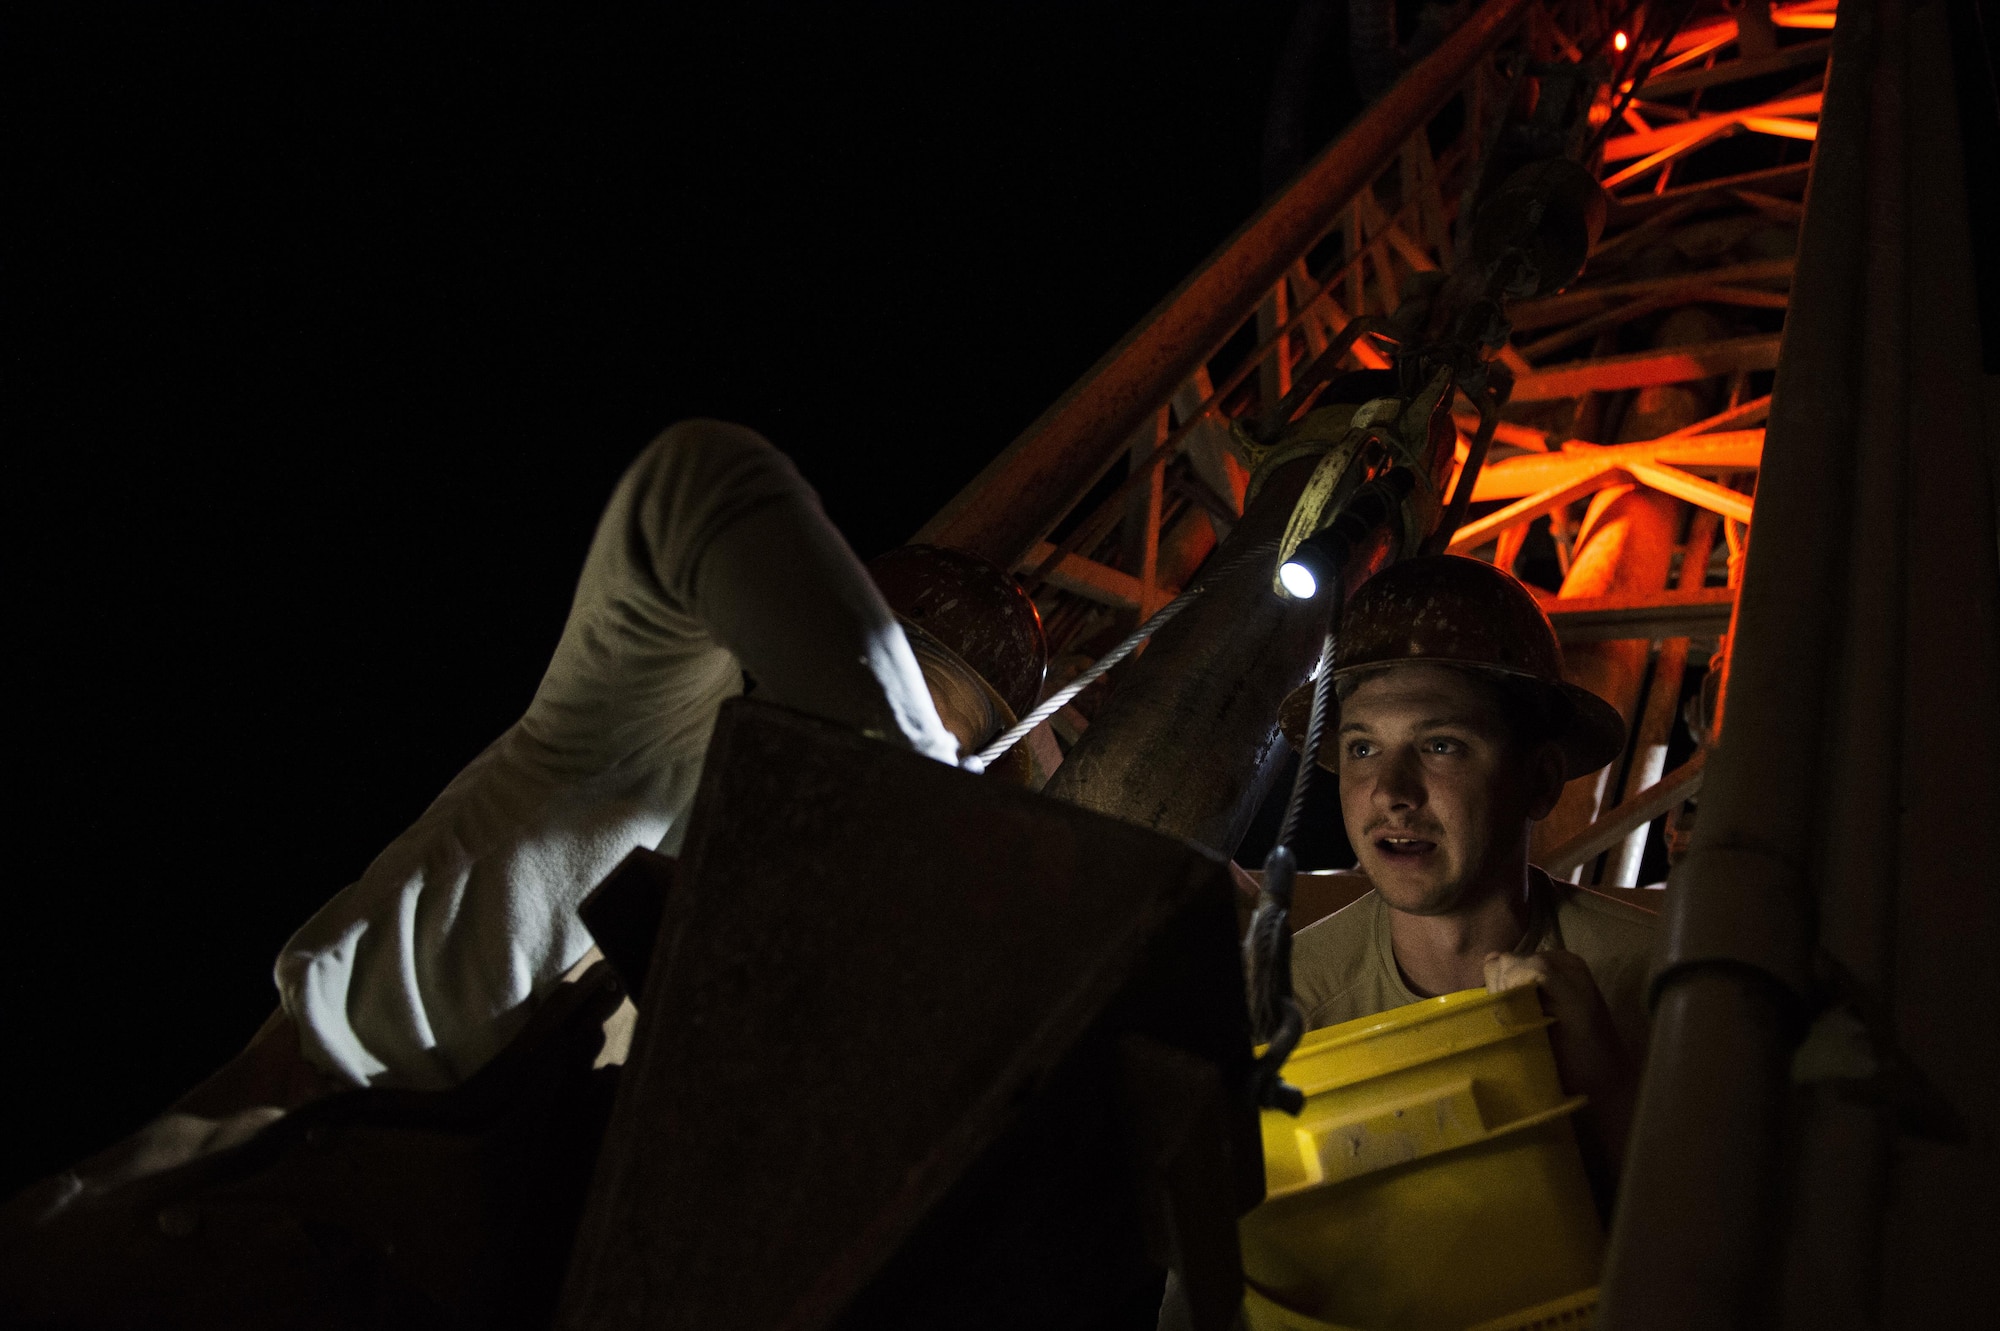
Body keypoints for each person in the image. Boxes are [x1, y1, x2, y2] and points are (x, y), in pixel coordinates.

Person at [10, 417, 1046, 1224]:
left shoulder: (791, 956)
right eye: (869, 713)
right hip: (226, 1198)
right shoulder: (639, 726)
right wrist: (930, 787)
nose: (875, 788)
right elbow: (699, 474)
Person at [1280, 554, 1657, 1180]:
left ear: (1539, 781)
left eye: (1440, 746)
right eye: (1363, 748)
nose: (1391, 791)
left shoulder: (1660, 988)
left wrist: (1606, 1095)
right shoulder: (1280, 1000)